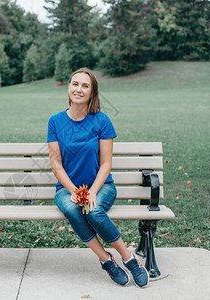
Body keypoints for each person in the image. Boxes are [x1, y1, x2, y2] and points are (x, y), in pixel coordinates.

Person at [47, 68, 149, 288]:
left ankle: (129, 258)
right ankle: (106, 260)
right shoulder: (55, 122)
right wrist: (75, 191)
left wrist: (91, 192)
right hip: (67, 188)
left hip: (102, 186)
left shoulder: (101, 121)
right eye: (75, 84)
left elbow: (105, 164)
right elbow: (56, 164)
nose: (79, 89)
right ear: (68, 87)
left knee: (92, 210)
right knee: (74, 209)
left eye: (85, 86)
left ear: (92, 92)